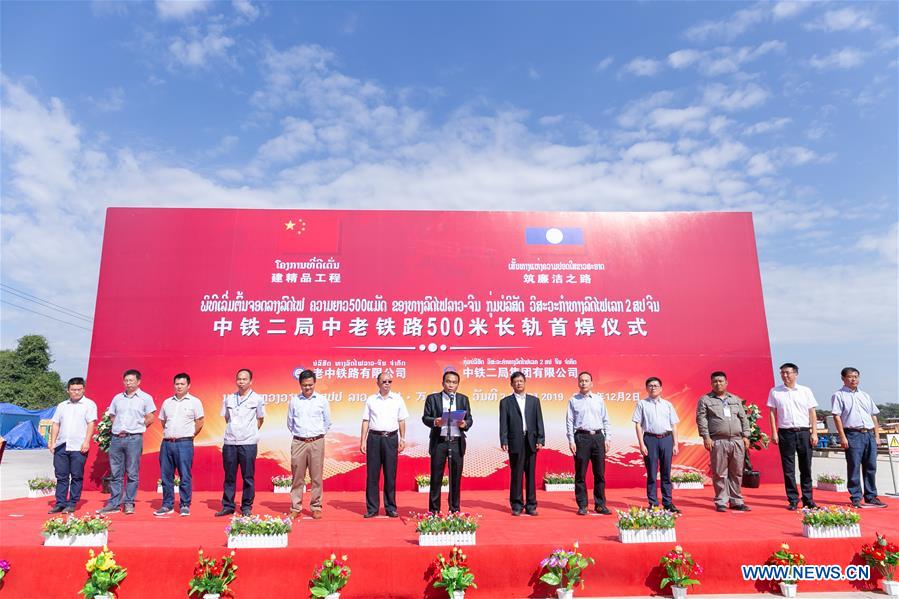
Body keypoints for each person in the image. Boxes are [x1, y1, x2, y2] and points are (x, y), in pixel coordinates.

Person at [98, 369, 156, 515]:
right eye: (126, 380)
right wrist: (119, 428)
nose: (129, 383)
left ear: (138, 381)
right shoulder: (117, 398)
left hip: (134, 439)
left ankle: (129, 502)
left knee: (132, 472)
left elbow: (150, 417)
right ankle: (114, 503)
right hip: (117, 439)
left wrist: (137, 428)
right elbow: (112, 416)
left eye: (132, 380)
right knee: (116, 472)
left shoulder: (145, 398)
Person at [695, 371, 751, 513]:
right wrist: (706, 437)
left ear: (726, 383)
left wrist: (746, 436)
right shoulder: (705, 400)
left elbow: (743, 418)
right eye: (715, 381)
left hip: (737, 440)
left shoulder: (735, 399)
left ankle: (736, 501)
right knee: (719, 472)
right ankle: (721, 501)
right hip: (718, 441)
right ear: (711, 383)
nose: (718, 384)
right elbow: (702, 420)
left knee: (737, 472)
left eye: (721, 381)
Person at [831, 367, 886, 508]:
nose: (854, 379)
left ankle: (871, 496)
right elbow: (836, 417)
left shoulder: (865, 395)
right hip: (852, 434)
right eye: (850, 376)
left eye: (856, 376)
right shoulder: (839, 395)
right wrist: (842, 436)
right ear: (843, 378)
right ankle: (856, 496)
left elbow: (873, 415)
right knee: (854, 465)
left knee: (871, 466)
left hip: (868, 434)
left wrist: (877, 435)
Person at [767, 362, 818, 510]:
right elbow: (771, 413)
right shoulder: (775, 391)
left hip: (803, 432)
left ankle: (808, 499)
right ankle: (793, 499)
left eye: (788, 372)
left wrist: (814, 432)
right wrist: (774, 432)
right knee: (788, 468)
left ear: (796, 374)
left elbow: (812, 413)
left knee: (806, 467)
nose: (785, 375)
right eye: (782, 373)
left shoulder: (805, 391)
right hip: (785, 433)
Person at [422, 370, 473, 513]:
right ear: (443, 383)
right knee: (436, 478)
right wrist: (435, 421)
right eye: (448, 381)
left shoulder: (463, 399)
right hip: (439, 442)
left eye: (454, 382)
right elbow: (425, 417)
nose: (451, 385)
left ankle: (454, 510)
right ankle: (434, 511)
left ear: (458, 385)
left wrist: (465, 424)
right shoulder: (433, 399)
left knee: (455, 479)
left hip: (456, 442)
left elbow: (469, 418)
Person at [216, 368, 265, 517]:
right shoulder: (229, 398)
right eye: (239, 379)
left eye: (244, 379)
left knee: (248, 477)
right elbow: (226, 418)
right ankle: (228, 505)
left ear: (251, 381)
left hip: (248, 443)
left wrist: (249, 432)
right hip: (230, 442)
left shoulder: (257, 399)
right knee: (229, 476)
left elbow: (260, 419)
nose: (241, 382)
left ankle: (246, 506)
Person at [155, 373, 204, 517]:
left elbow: (200, 422)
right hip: (167, 443)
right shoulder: (167, 402)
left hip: (185, 443)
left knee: (185, 475)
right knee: (166, 476)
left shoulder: (195, 402)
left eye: (182, 384)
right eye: (177, 384)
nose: (179, 386)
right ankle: (167, 505)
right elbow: (163, 421)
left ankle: (184, 504)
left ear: (188, 385)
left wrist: (189, 435)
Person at [361, 370, 408, 518]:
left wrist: (403, 438)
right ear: (378, 383)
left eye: (389, 381)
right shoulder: (371, 400)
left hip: (391, 438)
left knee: (390, 474)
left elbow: (402, 420)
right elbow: (366, 421)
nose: (387, 384)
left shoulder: (398, 399)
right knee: (372, 475)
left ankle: (390, 507)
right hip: (374, 439)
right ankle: (372, 508)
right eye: (384, 381)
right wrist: (362, 440)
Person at [48, 377, 97, 514]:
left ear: (83, 389)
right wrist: (52, 442)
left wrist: (87, 441)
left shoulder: (89, 404)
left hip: (79, 446)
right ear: (68, 390)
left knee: (76, 475)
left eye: (79, 389)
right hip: (62, 445)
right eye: (73, 390)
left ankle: (72, 502)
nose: (76, 392)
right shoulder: (62, 405)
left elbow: (91, 423)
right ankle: (60, 502)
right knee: (61, 476)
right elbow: (56, 423)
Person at [565, 371, 612, 516]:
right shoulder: (573, 400)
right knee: (580, 474)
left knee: (600, 474)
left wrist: (607, 438)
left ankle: (600, 505)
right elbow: (569, 421)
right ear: (578, 383)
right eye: (581, 381)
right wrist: (571, 440)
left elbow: (606, 420)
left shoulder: (598, 400)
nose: (584, 383)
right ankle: (583, 505)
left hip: (598, 437)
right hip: (581, 438)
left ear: (591, 383)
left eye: (586, 381)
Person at [633, 377, 681, 513]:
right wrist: (641, 444)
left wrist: (675, 444)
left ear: (661, 388)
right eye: (650, 386)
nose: (653, 388)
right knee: (652, 474)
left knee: (666, 473)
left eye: (655, 385)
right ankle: (653, 503)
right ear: (647, 388)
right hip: (650, 439)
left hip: (666, 439)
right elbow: (637, 424)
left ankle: (668, 502)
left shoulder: (668, 405)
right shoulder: (642, 404)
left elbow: (674, 425)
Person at [500, 371, 545, 516]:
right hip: (515, 441)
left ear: (525, 383)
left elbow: (539, 421)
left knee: (531, 474)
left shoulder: (534, 401)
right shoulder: (506, 402)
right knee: (517, 473)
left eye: (521, 381)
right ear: (511, 384)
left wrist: (540, 439)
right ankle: (517, 504)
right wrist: (504, 440)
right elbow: (503, 423)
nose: (518, 383)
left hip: (531, 441)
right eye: (516, 381)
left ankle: (531, 505)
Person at [288, 369, 331, 520]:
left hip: (316, 441)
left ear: (315, 384)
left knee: (316, 477)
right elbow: (290, 423)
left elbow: (327, 422)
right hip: (299, 441)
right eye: (305, 385)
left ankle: (316, 506)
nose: (308, 388)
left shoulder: (322, 400)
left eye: (310, 385)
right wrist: (300, 436)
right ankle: (295, 507)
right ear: (300, 384)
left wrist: (317, 435)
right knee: (297, 477)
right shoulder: (294, 401)